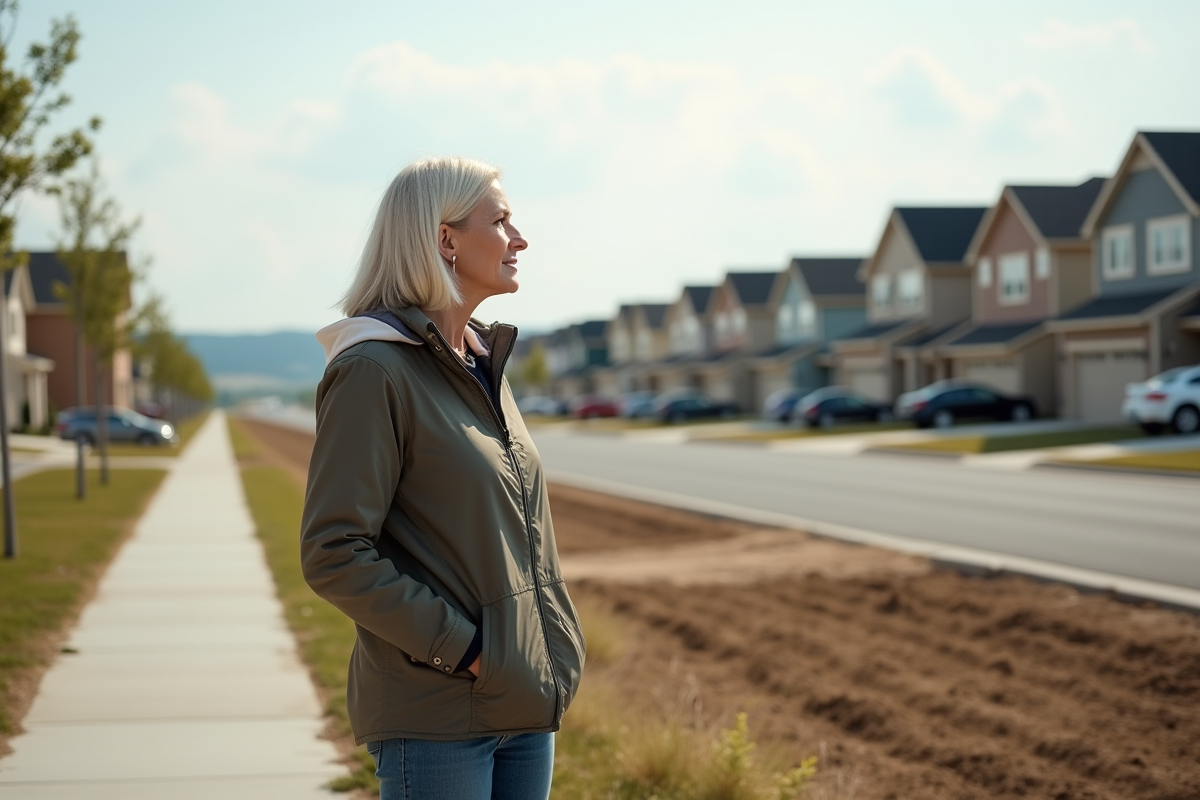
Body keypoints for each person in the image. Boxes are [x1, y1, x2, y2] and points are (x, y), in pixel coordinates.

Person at [301, 156, 585, 800]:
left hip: (523, 704)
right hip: (437, 717)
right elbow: (334, 553)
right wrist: (468, 652)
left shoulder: (481, 365)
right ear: (444, 239)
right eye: (503, 220)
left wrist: (536, 652)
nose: (520, 238)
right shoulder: (373, 370)